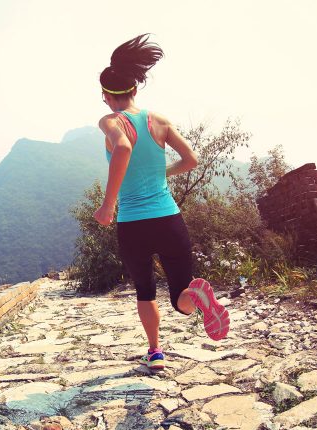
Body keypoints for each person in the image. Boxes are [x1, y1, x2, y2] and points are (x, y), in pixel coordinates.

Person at [93, 34, 230, 371]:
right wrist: (162, 172)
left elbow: (123, 147)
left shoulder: (111, 121)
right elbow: (192, 160)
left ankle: (155, 352)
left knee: (145, 290)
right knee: (181, 294)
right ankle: (195, 298)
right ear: (135, 90)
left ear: (105, 96)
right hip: (169, 218)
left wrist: (108, 204)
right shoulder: (161, 121)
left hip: (134, 224)